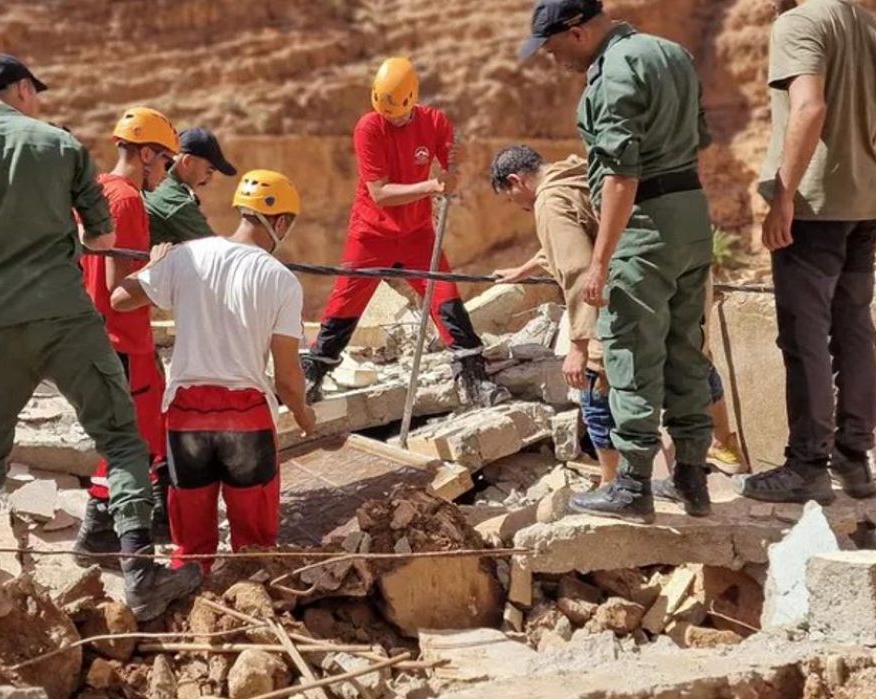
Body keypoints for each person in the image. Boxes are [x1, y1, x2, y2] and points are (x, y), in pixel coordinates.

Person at [0, 53, 200, 621]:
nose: (38, 101)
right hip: (68, 320)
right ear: (22, 90)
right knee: (122, 439)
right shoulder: (62, 147)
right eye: (35, 92)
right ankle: (140, 573)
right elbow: (100, 238)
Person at [519, 0, 716, 522]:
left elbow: (620, 175)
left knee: (631, 351)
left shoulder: (610, 75)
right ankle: (692, 481)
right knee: (685, 349)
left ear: (578, 32)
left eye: (552, 47)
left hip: (645, 223)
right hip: (692, 218)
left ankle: (632, 486)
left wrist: (601, 260)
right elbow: (700, 138)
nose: (550, 59)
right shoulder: (672, 54)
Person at [489, 145, 747, 489]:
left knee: (594, 386)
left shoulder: (549, 202)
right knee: (691, 358)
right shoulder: (582, 172)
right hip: (683, 275)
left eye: (510, 198)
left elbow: (578, 270)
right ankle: (724, 447)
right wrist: (528, 267)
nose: (517, 207)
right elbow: (591, 223)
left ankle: (613, 484)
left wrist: (580, 346)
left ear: (515, 181)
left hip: (635, 288)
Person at [736, 0, 876, 504]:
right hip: (862, 207)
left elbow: (810, 107)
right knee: (853, 329)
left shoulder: (798, 23)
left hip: (813, 209)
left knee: (804, 336)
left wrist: (783, 195)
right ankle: (854, 461)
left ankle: (808, 464)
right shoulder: (870, 27)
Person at [110, 170, 315, 570]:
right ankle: (252, 613)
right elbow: (289, 377)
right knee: (255, 547)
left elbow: (120, 299)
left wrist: (154, 267)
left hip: (187, 416)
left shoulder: (186, 255)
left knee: (189, 547)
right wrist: (305, 416)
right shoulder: (281, 281)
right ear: (281, 223)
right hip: (247, 420)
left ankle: (189, 612)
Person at [301, 57, 508, 407]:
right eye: (386, 111)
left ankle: (475, 379)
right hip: (372, 232)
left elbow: (451, 165)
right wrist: (433, 185)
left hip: (417, 234)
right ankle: (312, 376)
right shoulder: (369, 127)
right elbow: (380, 193)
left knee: (445, 297)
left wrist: (453, 174)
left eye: (398, 112)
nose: (392, 118)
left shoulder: (434, 121)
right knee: (345, 302)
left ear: (412, 99)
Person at [74, 107, 180, 562]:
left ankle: (156, 517)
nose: (167, 172)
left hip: (96, 337)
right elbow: (121, 294)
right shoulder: (129, 201)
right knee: (129, 439)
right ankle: (99, 530)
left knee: (146, 432)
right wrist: (159, 271)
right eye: (167, 162)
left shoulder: (95, 189)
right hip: (123, 340)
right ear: (148, 153)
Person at [145, 127, 238, 245]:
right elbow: (215, 251)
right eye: (208, 171)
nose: (207, 180)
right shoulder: (177, 202)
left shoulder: (152, 185)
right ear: (187, 161)